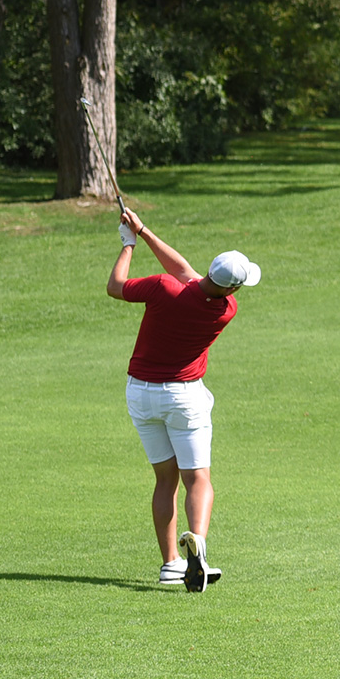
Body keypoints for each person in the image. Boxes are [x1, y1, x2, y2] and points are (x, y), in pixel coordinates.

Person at [106, 207, 260, 592]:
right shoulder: (226, 309)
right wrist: (142, 231)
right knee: (198, 479)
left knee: (165, 480)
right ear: (231, 288)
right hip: (184, 397)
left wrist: (129, 244)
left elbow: (117, 285)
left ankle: (170, 565)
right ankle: (199, 546)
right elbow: (186, 273)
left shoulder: (163, 288)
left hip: (140, 393)